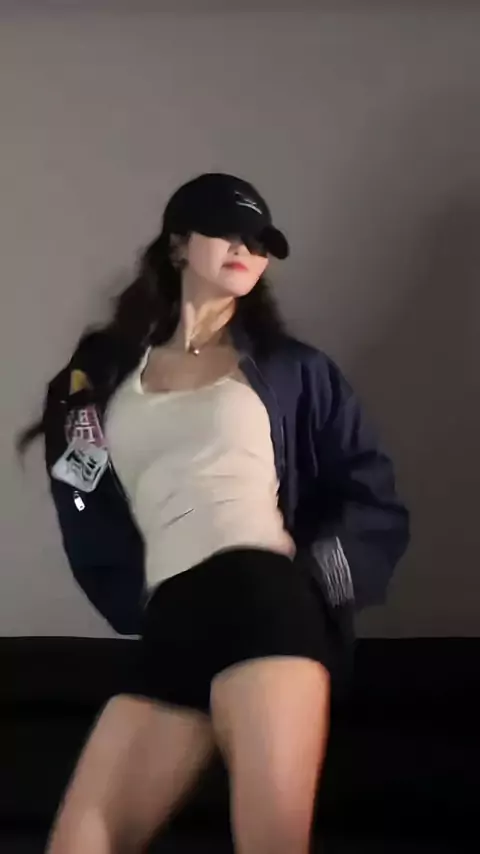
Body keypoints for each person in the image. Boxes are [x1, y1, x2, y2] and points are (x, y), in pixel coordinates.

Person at [19, 173, 409, 854]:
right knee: (80, 843)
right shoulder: (104, 375)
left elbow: (372, 493)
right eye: (228, 232)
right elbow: (80, 492)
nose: (246, 249)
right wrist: (130, 596)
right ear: (177, 245)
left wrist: (317, 581)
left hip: (266, 605)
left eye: (260, 242)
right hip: (173, 618)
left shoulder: (294, 370)